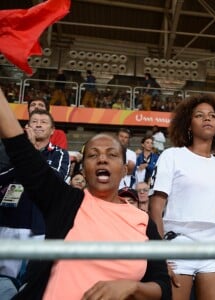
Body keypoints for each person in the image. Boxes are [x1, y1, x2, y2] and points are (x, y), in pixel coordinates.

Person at [0, 88, 171, 300]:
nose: (102, 159)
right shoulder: (65, 201)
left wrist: (131, 287)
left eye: (111, 154)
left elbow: (164, 287)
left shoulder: (143, 221)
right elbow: (18, 145)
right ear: (83, 168)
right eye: (93, 155)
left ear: (124, 170)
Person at [149, 94, 215, 300]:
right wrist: (160, 254)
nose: (207, 118)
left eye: (212, 116)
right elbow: (155, 208)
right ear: (188, 125)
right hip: (177, 247)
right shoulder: (171, 156)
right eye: (199, 115)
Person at [0, 109, 70, 294]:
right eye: (34, 121)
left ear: (52, 130)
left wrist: (28, 155)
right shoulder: (9, 151)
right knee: (5, 282)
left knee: (33, 283)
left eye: (44, 122)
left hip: (41, 227)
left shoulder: (60, 154)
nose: (38, 124)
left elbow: (54, 179)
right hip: (9, 224)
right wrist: (23, 154)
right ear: (27, 126)